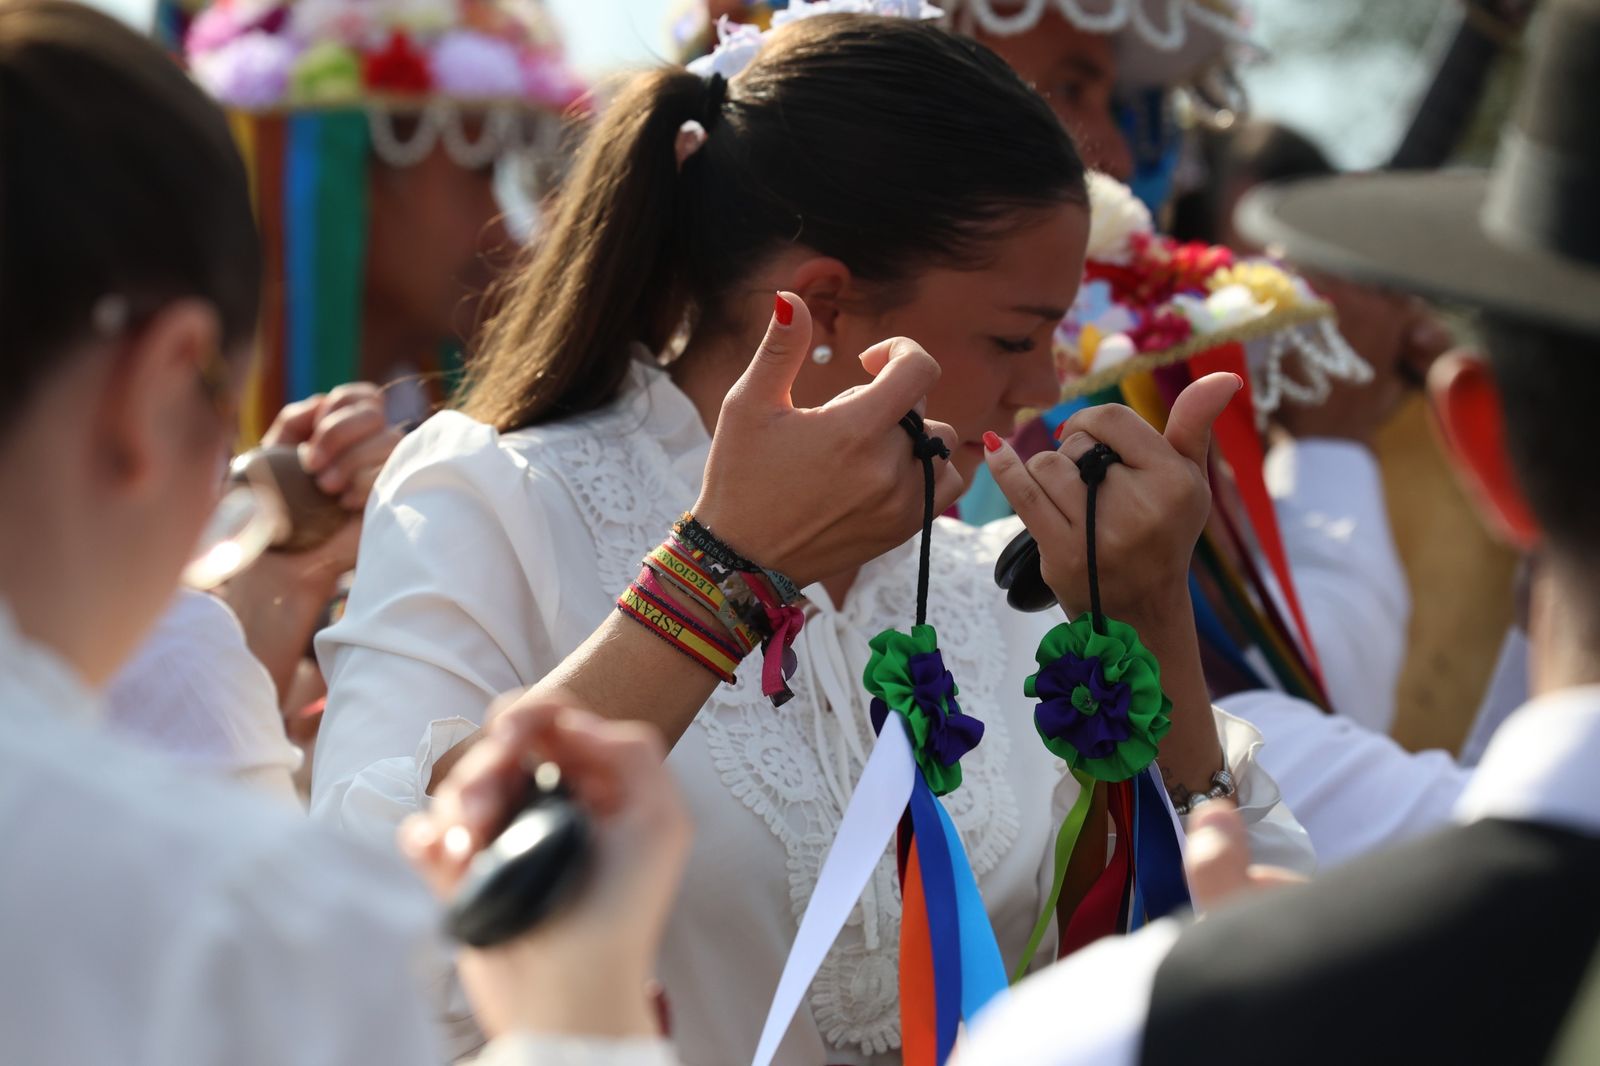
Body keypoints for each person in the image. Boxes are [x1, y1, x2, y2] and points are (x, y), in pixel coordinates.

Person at [312, 13, 1313, 1064]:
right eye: (1013, 337)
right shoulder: (499, 494)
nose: (1041, 391)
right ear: (822, 306)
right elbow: (357, 947)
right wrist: (717, 576)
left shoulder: (986, 583)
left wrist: (1157, 624)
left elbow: (1260, 963)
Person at [0, 4, 685, 1062]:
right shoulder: (248, 923)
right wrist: (575, 1015)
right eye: (479, 167)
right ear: (155, 388)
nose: (519, 224)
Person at [954, 0, 1600, 1057]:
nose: (1111, 144)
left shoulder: (1126, 1029)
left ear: (1485, 448)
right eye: (1071, 90)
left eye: (1107, 99)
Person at [178, 0, 585, 435]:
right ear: (345, 182)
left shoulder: (493, 448)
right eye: (481, 168)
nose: (511, 236)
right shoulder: (182, 442)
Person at [104, 383, 402, 802]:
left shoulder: (173, 642)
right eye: (223, 397)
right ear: (166, 362)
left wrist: (282, 573)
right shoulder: (175, 646)